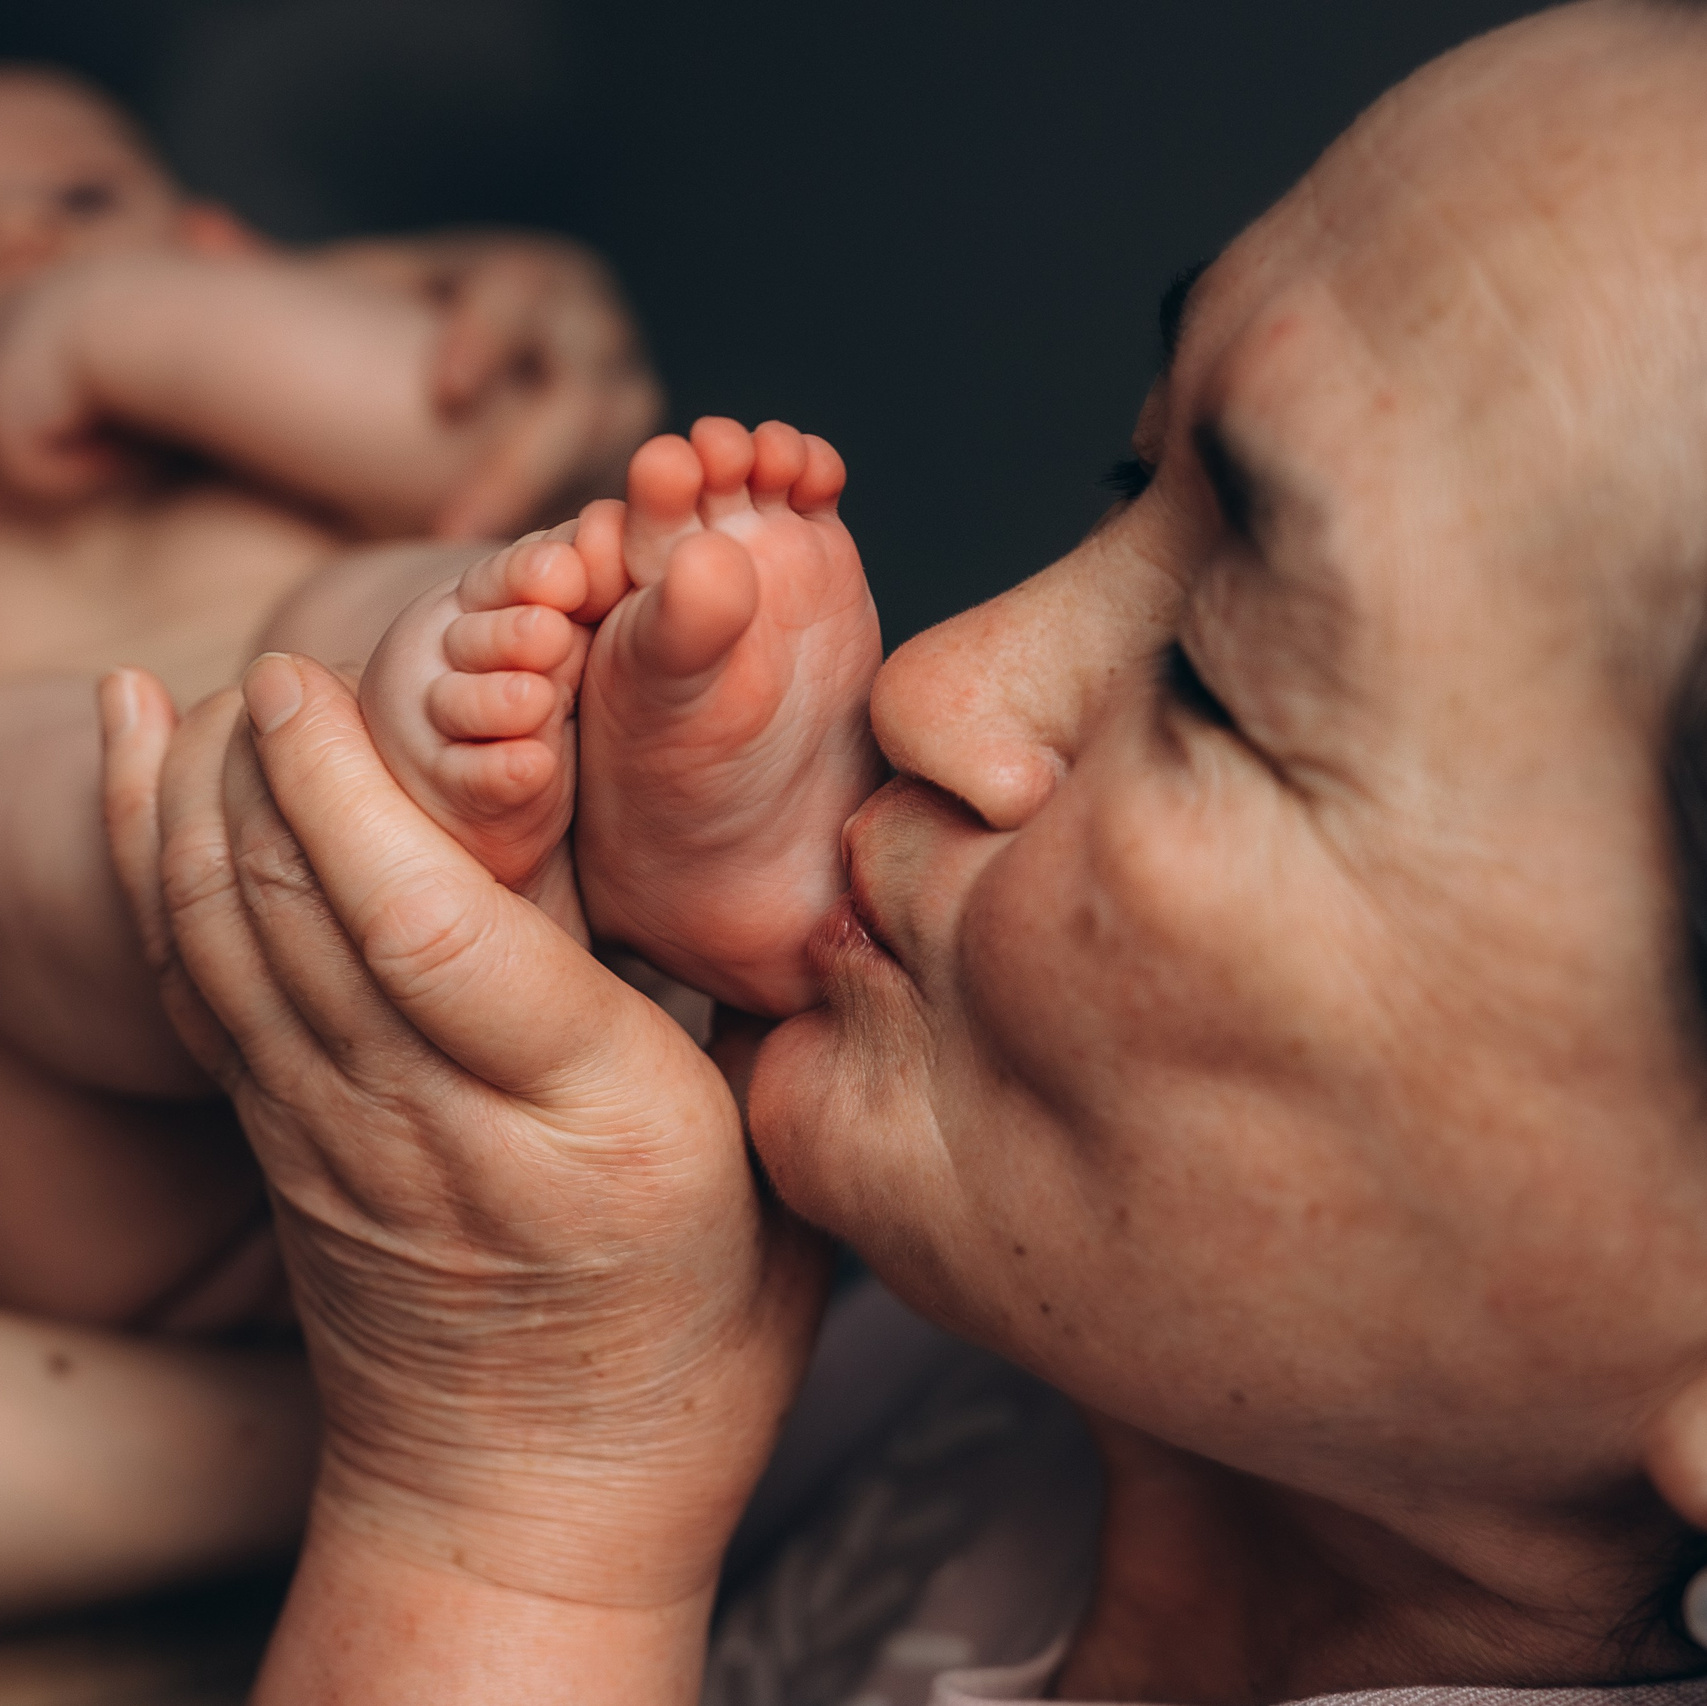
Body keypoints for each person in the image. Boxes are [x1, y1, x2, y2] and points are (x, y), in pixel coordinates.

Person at [91, 0, 1707, 1697]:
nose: (937, 679)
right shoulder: (1074, 1370)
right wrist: (642, 935)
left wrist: (511, 1506)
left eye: (1217, 683)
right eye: (1128, 474)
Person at [0, 64, 669, 1613]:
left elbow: (454, 442)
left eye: (80, 198)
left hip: (459, 883)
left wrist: (123, 326)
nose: (22, 240)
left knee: (420, 603)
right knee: (37, 766)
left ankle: (620, 747)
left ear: (214, 239)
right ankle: (249, 843)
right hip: (142, 1155)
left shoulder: (245, 418)